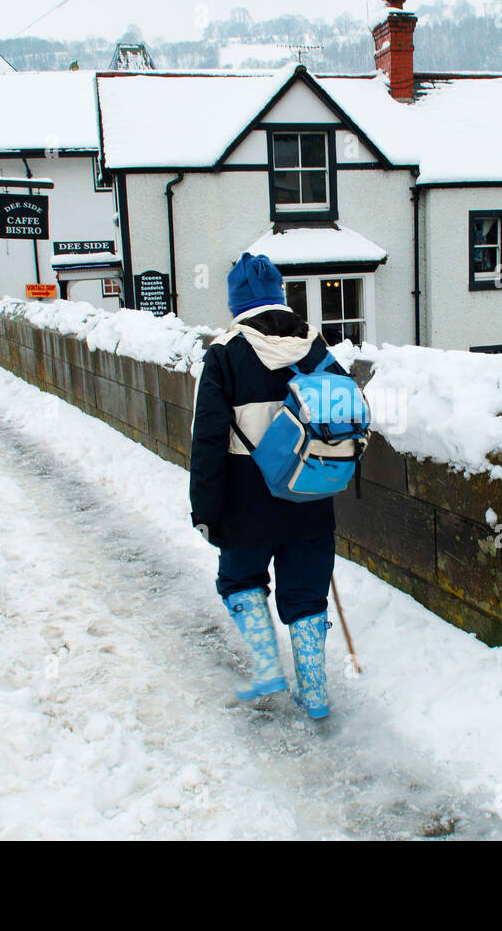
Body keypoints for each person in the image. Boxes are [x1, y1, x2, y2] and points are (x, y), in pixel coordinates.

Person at [189, 253, 344, 720]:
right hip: (310, 495)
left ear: (237, 303)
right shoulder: (316, 347)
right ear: (279, 296)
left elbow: (209, 437)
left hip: (245, 498)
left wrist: (205, 509)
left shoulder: (224, 353)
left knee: (240, 580)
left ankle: (266, 668)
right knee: (307, 594)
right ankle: (314, 692)